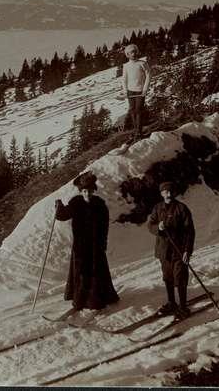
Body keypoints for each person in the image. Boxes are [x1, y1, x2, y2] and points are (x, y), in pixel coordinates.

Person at [54, 171, 119, 311]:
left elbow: (105, 226)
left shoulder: (100, 205)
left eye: (89, 191)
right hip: (80, 245)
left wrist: (103, 243)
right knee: (81, 272)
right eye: (84, 191)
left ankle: (95, 301)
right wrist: (58, 206)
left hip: (96, 245)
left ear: (93, 191)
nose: (87, 194)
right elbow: (63, 215)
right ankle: (80, 299)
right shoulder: (76, 203)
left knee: (96, 273)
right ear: (81, 191)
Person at [147, 181, 195, 319]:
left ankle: (183, 307)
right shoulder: (157, 208)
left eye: (170, 191)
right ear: (161, 193)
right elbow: (150, 225)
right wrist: (158, 228)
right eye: (165, 192)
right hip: (164, 251)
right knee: (167, 278)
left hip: (179, 251)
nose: (168, 194)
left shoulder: (181, 208)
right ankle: (171, 302)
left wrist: (187, 250)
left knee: (180, 278)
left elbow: (189, 232)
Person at [121, 44, 151, 142]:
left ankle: (139, 132)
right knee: (132, 110)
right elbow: (124, 79)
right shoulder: (126, 66)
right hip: (130, 91)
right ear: (127, 55)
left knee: (138, 110)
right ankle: (136, 130)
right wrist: (125, 91)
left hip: (140, 91)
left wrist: (145, 89)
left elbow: (148, 76)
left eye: (134, 51)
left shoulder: (142, 63)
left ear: (137, 52)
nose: (133, 54)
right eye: (130, 52)